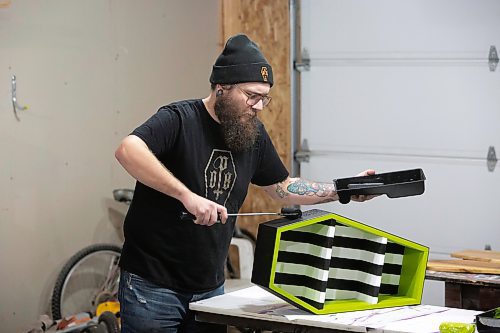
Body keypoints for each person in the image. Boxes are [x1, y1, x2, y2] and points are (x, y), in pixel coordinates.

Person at [115, 33, 377, 333]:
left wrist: (341, 190)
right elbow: (128, 149)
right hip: (153, 287)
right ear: (222, 87)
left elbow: (282, 187)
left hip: (209, 286)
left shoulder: (252, 134)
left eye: (264, 98)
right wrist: (186, 196)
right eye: (251, 95)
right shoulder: (179, 119)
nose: (259, 106)